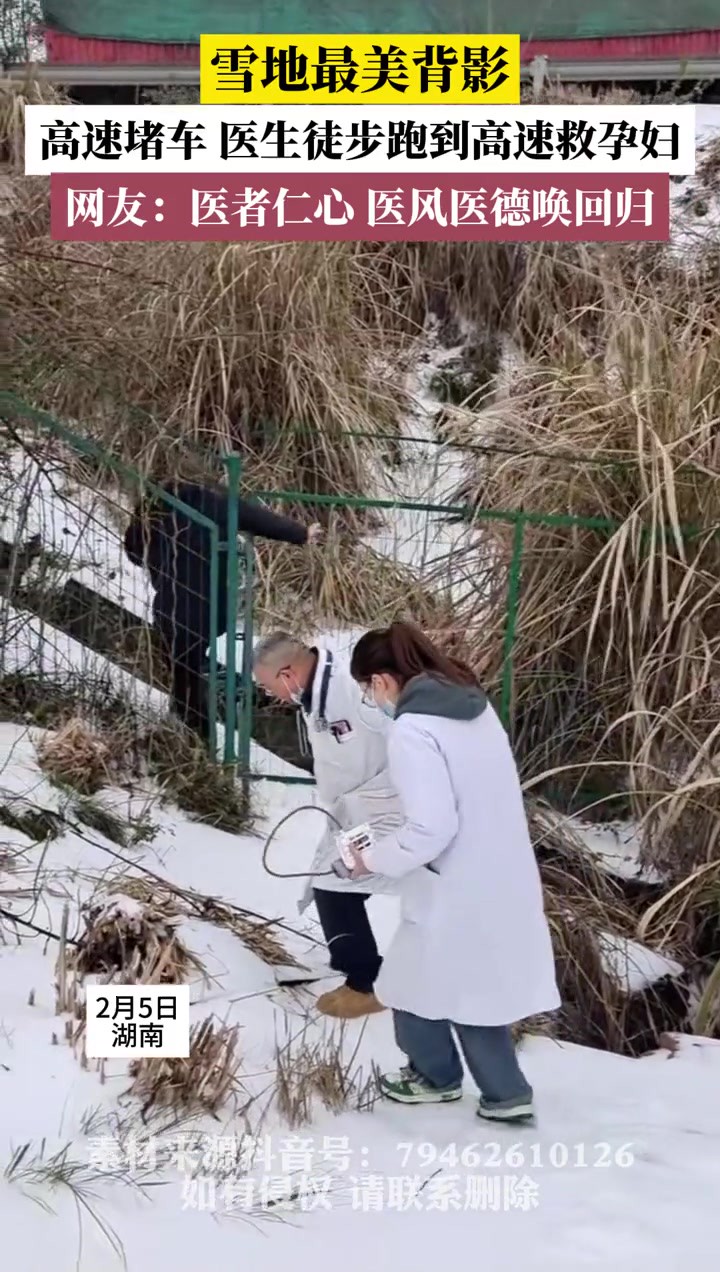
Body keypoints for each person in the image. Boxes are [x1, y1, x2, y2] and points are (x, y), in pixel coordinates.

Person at [346, 620, 560, 1123]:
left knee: (412, 982)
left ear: (380, 681)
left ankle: (437, 1079)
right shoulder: (473, 705)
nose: (370, 700)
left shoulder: (412, 729)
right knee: (472, 987)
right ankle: (504, 1091)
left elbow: (431, 827)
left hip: (455, 880)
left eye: (366, 690)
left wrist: (370, 858)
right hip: (500, 869)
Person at [253, 632, 403, 1019]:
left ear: (287, 673)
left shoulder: (352, 690)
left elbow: (398, 733)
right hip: (357, 809)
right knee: (334, 882)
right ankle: (360, 965)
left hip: (386, 804)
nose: (272, 695)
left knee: (333, 883)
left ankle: (365, 982)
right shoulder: (315, 691)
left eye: (269, 687)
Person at [124, 481, 322, 743]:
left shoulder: (152, 508)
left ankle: (193, 734)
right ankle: (192, 731)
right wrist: (300, 533)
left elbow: (134, 552)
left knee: (183, 673)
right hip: (211, 609)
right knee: (189, 670)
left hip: (171, 610)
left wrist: (159, 553)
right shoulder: (213, 503)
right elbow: (259, 519)